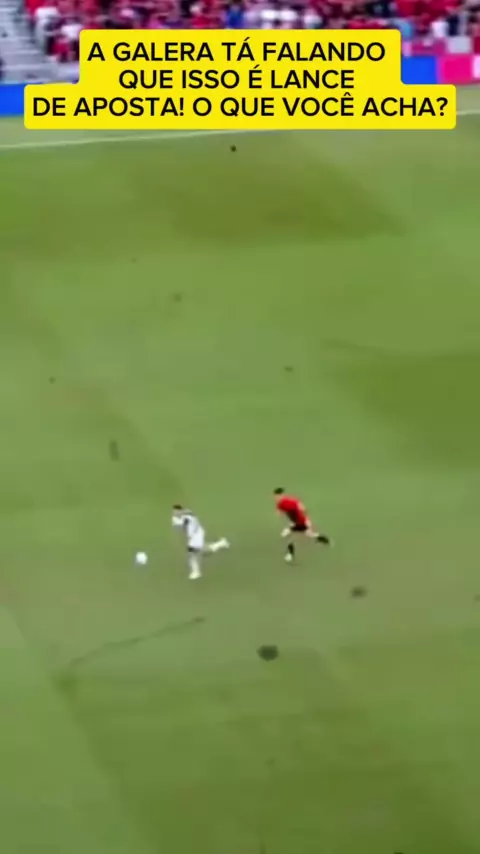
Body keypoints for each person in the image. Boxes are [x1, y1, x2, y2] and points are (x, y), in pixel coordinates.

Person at [172, 504, 229, 580]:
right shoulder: (179, 516)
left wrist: (177, 524)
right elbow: (179, 527)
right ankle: (221, 543)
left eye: (177, 512)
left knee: (191, 552)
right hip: (193, 535)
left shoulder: (187, 517)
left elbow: (182, 525)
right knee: (204, 552)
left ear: (181, 511)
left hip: (197, 534)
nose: (175, 513)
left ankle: (196, 572)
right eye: (174, 512)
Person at [274, 487, 330, 562]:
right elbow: (281, 512)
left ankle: (290, 555)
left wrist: (303, 518)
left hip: (301, 523)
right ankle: (325, 540)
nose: (275, 498)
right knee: (309, 534)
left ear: (281, 495)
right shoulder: (281, 504)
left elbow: (301, 507)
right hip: (297, 523)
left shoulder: (289, 502)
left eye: (276, 496)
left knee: (288, 536)